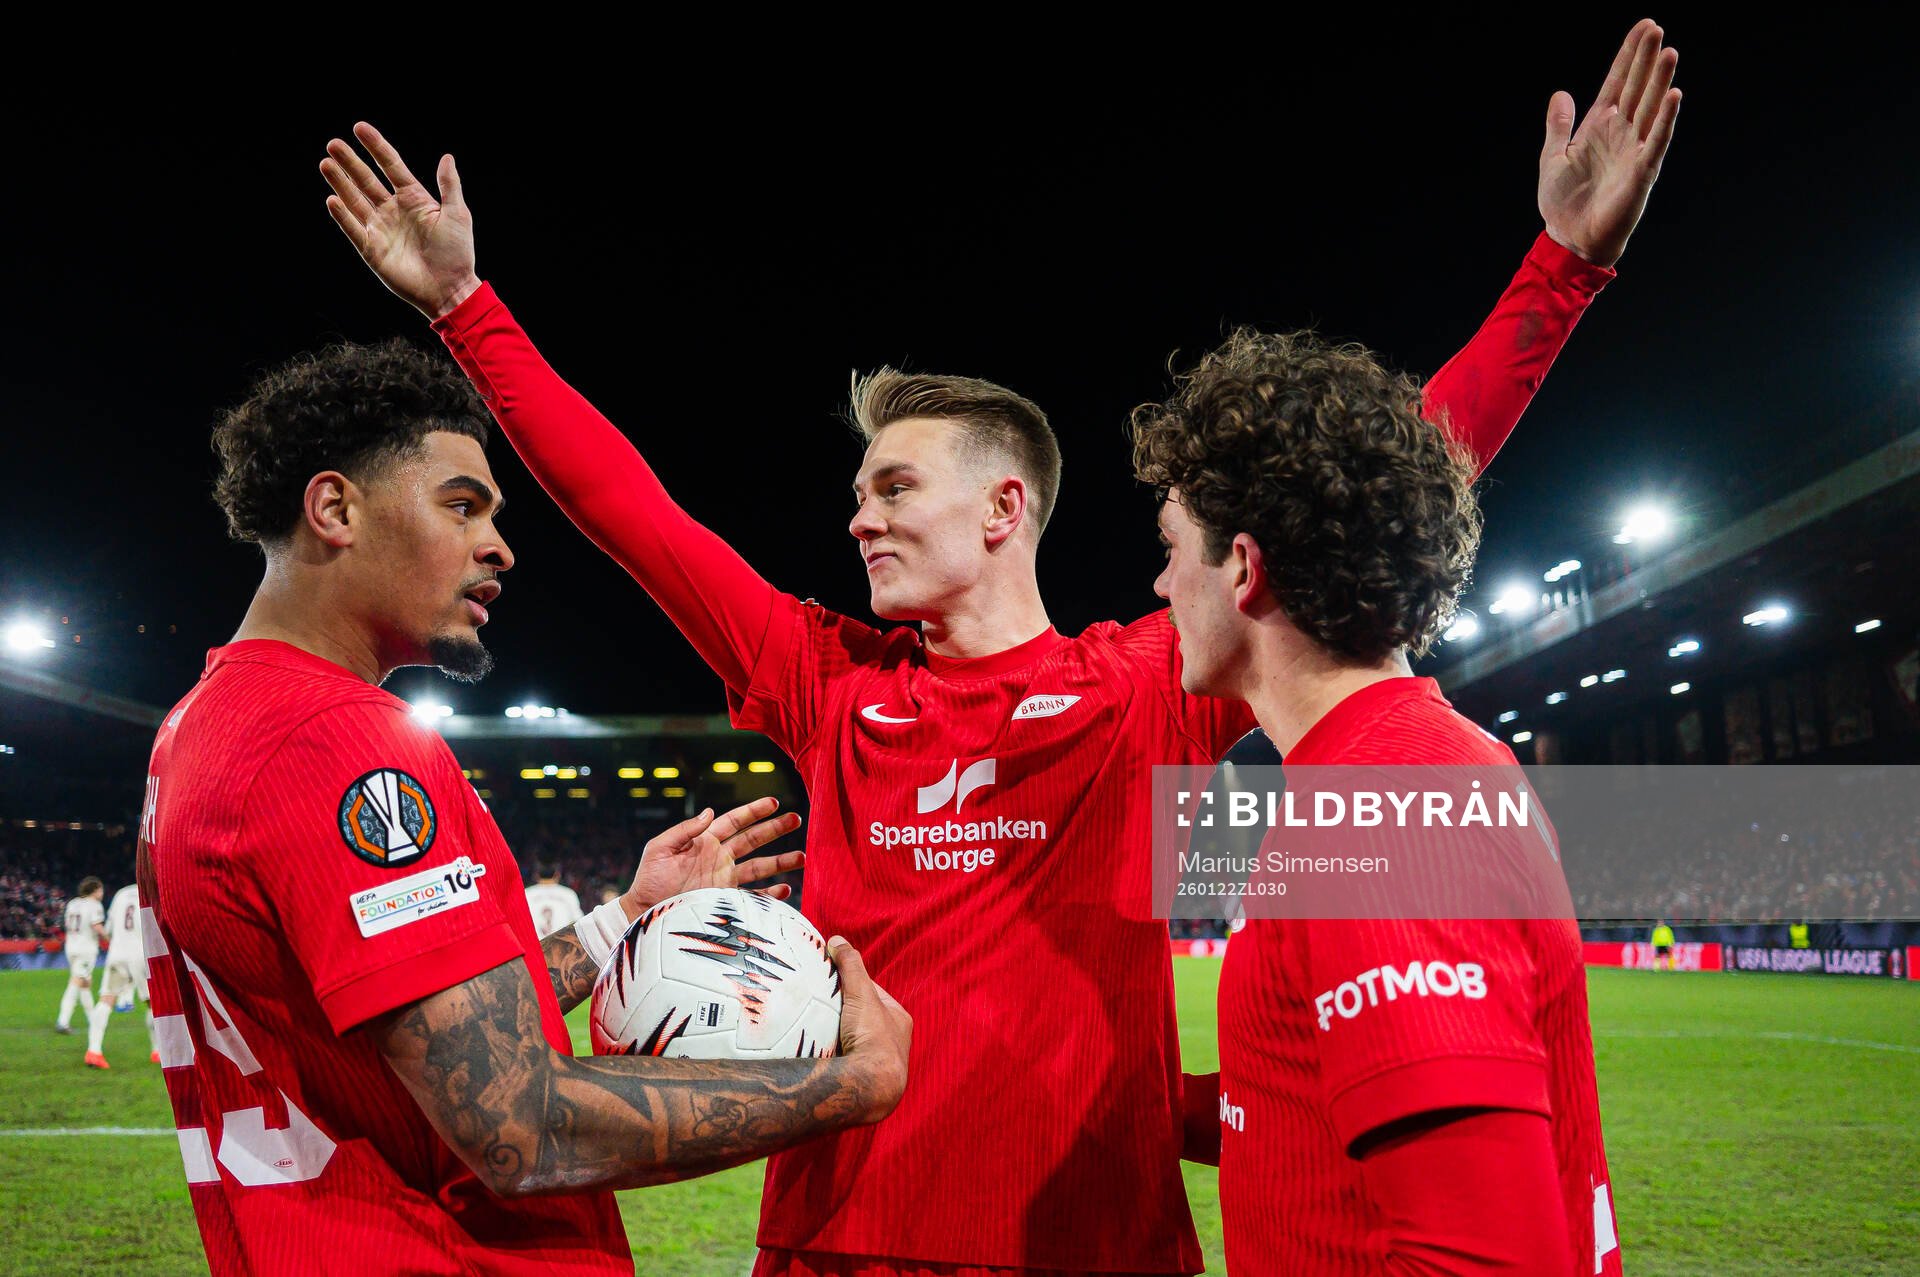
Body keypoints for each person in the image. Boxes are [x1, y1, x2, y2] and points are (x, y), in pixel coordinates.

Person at [318, 23, 1667, 1271]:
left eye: (896, 488)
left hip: (1096, 1250)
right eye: (860, 490)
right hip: (839, 1247)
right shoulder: (825, 681)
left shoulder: (1140, 690)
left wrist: (1565, 272)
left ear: (1005, 507)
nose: (859, 516)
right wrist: (465, 308)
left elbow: (1353, 497)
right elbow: (635, 517)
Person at [136, 338, 910, 1275]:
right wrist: (848, 1084)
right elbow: (522, 1126)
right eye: (461, 505)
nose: (499, 544)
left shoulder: (207, 720)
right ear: (334, 507)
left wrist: (621, 919)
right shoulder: (333, 737)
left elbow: (416, 1030)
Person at [1129, 42, 1682, 1251]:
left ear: (1245, 564)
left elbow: (1489, 1251)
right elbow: (1316, 1109)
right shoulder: (1382, 775)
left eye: (1173, 543)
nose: (1158, 580)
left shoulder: (1387, 806)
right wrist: (1137, 1101)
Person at [85, 882, 159, 1068]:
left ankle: (94, 1051)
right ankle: (157, 1050)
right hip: (143, 954)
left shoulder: (120, 893)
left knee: (106, 1000)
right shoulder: (153, 890)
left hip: (117, 953)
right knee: (153, 1004)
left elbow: (108, 929)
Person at [55, 877, 106, 1035]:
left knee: (85, 983)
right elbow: (96, 926)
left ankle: (92, 1019)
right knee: (76, 982)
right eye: (101, 889)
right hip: (86, 949)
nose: (102, 893)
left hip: (71, 947)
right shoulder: (95, 905)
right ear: (95, 890)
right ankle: (63, 1021)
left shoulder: (72, 903)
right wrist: (111, 938)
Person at [525, 860, 585, 937]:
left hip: (533, 945)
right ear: (557, 875)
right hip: (562, 945)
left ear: (536, 875)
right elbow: (579, 922)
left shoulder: (527, 894)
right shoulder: (568, 894)